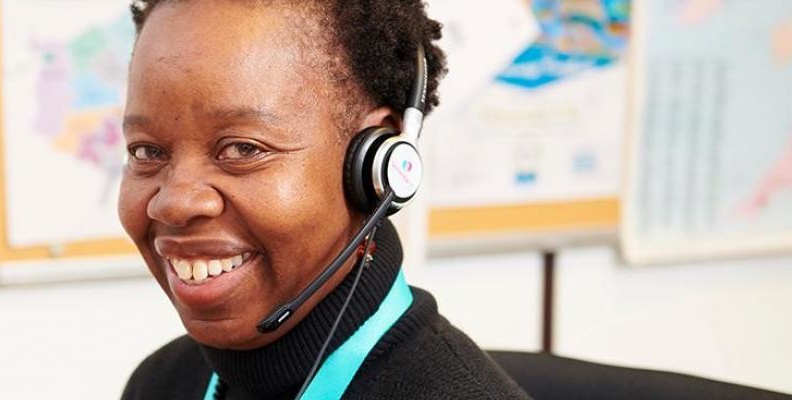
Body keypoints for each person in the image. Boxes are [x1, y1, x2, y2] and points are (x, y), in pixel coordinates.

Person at [116, 0, 529, 398]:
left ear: (373, 164)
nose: (174, 204)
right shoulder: (163, 382)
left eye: (243, 149)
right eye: (146, 152)